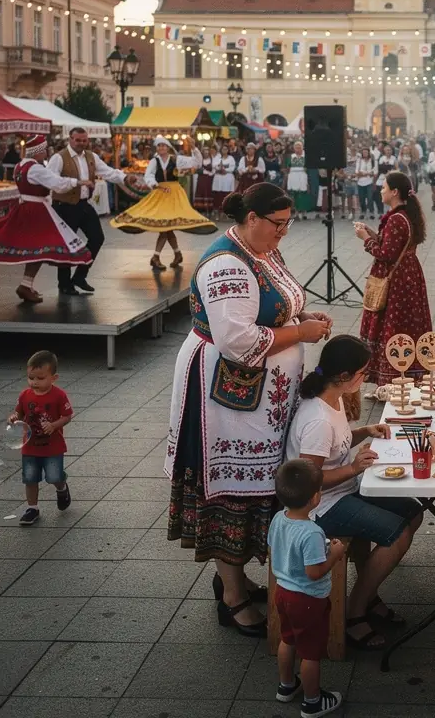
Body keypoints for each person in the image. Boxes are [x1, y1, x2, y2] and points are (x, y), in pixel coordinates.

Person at [166, 183, 333, 636]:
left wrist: (302, 317)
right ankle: (232, 596)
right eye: (277, 224)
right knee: (230, 488)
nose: (283, 232)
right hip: (227, 396)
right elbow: (238, 341)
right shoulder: (226, 264)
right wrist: (300, 334)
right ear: (252, 218)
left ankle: (234, 579)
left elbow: (277, 305)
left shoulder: (261, 250)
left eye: (287, 224)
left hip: (262, 397)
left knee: (256, 483)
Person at [286, 335, 423, 650]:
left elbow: (338, 442)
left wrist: (365, 431)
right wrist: (353, 468)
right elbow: (310, 481)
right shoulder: (317, 420)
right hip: (320, 506)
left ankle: (368, 590)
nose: (366, 378)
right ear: (344, 376)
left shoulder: (329, 398)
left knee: (413, 511)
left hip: (343, 490)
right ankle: (355, 611)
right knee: (398, 533)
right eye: (363, 373)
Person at [0, 134, 91, 303]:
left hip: (24, 208)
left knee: (35, 248)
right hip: (37, 211)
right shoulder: (36, 169)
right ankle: (25, 285)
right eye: (44, 150)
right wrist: (78, 182)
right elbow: (57, 183)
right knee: (41, 247)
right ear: (38, 151)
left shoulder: (20, 166)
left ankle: (26, 285)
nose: (46, 153)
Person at [269, 459, 346, 717]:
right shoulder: (312, 532)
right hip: (308, 600)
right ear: (315, 498)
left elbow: (281, 548)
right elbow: (314, 572)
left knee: (288, 639)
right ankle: (312, 702)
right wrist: (334, 553)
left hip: (282, 592)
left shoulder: (278, 519)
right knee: (311, 652)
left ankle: (286, 686)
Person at [356, 172, 432, 384]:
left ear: (394, 192)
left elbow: (386, 254)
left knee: (392, 324)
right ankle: (408, 375)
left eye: (384, 187)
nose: (381, 191)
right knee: (407, 324)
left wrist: (366, 240)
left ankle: (392, 379)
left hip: (397, 280)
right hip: (408, 275)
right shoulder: (405, 215)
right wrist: (372, 233)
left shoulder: (396, 219)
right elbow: (392, 244)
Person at [110, 137, 215, 270]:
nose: (161, 148)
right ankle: (174, 254)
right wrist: (153, 184)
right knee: (166, 226)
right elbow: (148, 175)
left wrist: (194, 148)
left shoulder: (175, 159)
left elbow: (197, 163)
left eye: (163, 146)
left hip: (174, 194)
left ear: (168, 147)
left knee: (166, 226)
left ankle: (158, 256)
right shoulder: (155, 161)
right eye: (159, 146)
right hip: (160, 192)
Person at [48, 127, 128, 296]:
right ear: (70, 139)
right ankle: (64, 285)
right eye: (77, 140)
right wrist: (75, 182)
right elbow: (52, 181)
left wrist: (125, 177)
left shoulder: (91, 157)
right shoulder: (59, 158)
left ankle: (80, 276)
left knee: (97, 237)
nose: (81, 143)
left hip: (83, 204)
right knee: (67, 245)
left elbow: (107, 172)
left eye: (84, 140)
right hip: (64, 205)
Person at [8, 349, 73, 526]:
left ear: (54, 377)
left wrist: (53, 425)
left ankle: (61, 486)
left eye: (40, 378)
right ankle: (32, 508)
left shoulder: (59, 395)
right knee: (30, 478)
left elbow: (67, 416)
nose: (34, 382)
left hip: (53, 447)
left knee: (53, 476)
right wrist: (14, 417)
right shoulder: (25, 395)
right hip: (30, 446)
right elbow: (18, 412)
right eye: (31, 377)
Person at [210, 142, 237, 214]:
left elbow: (232, 167)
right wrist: (219, 168)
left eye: (226, 149)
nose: (224, 150)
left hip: (227, 178)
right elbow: (214, 166)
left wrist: (225, 170)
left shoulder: (231, 158)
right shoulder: (218, 158)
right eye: (223, 149)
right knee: (218, 194)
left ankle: (226, 211)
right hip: (219, 178)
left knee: (226, 194)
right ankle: (218, 210)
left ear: (228, 150)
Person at [355, 147, 377, 219]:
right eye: (363, 152)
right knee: (361, 198)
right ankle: (363, 211)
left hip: (369, 182)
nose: (365, 153)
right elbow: (357, 172)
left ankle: (371, 212)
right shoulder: (359, 160)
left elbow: (374, 172)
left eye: (366, 152)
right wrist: (367, 173)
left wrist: (363, 173)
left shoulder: (372, 161)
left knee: (370, 198)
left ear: (368, 153)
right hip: (360, 183)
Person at [194, 145, 215, 212]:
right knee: (200, 192)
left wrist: (210, 173)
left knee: (208, 192)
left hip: (209, 179)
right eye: (204, 151)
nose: (206, 152)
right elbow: (197, 169)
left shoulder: (212, 159)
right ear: (202, 152)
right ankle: (199, 209)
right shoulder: (200, 160)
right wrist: (202, 171)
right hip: (201, 179)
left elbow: (214, 169)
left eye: (207, 151)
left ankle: (208, 209)